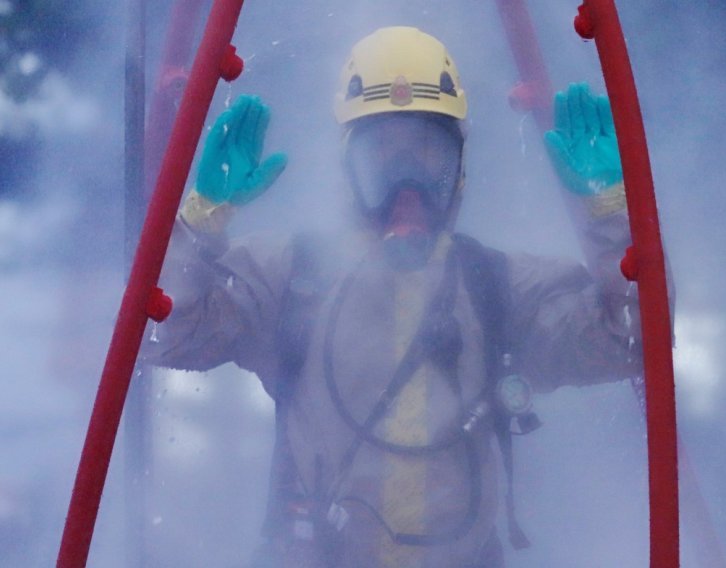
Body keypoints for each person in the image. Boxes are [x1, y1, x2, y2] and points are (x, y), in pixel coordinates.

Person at [145, 26, 640, 568]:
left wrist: (610, 214)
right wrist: (200, 221)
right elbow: (165, 333)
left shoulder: (495, 286)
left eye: (428, 156)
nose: (407, 186)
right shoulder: (294, 278)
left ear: (459, 168)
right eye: (382, 157)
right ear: (346, 167)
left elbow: (630, 338)